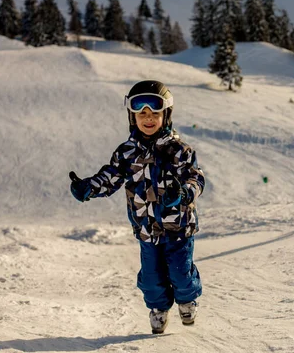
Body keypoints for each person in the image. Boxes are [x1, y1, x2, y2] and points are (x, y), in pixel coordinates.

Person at [69, 80, 205, 334]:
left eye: (154, 112)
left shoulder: (179, 151)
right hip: (146, 229)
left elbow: (196, 178)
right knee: (152, 279)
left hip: (178, 226)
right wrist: (89, 187)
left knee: (180, 275)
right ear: (132, 116)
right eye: (141, 113)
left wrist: (184, 192)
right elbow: (110, 177)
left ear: (166, 114)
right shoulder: (126, 153)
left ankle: (187, 300)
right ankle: (158, 309)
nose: (148, 118)